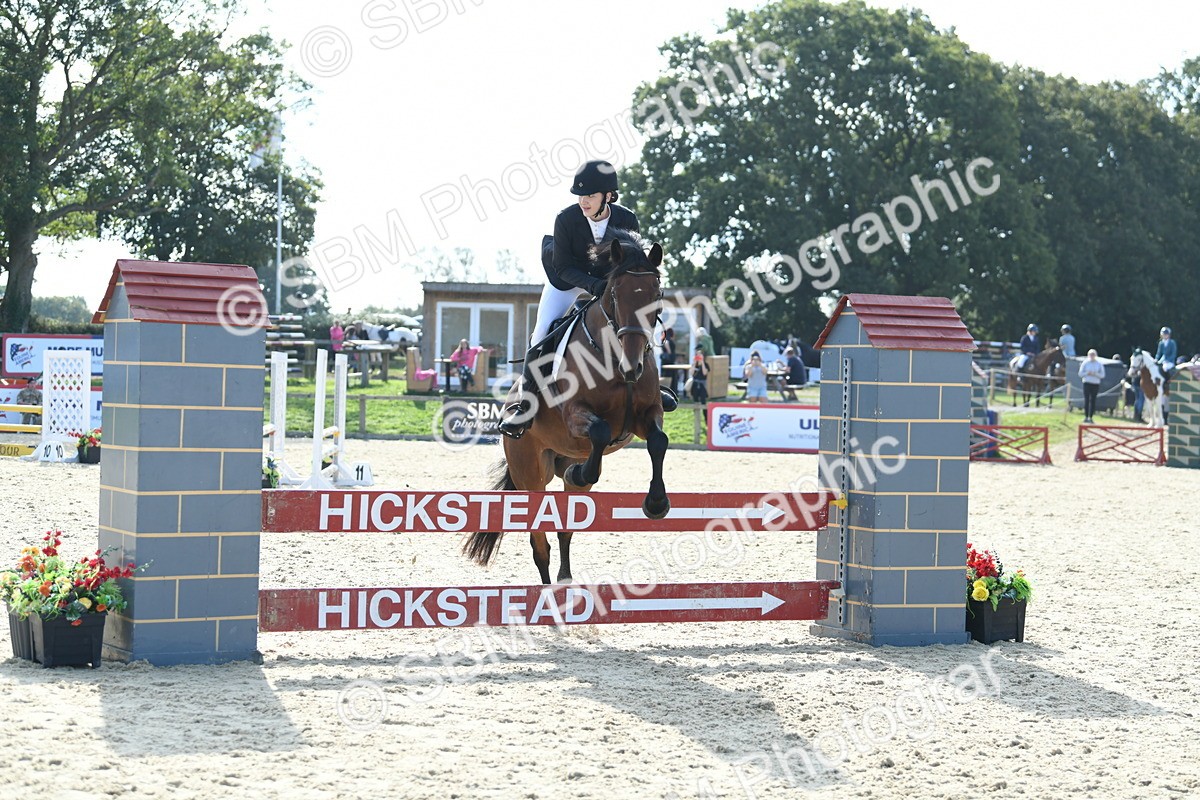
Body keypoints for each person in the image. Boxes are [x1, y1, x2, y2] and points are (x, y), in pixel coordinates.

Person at [499, 160, 675, 438]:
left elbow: (633, 260)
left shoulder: (626, 219)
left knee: (636, 323)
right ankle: (526, 403)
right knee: (541, 332)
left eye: (590, 195)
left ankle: (653, 389)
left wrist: (618, 286)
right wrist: (594, 284)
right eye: (581, 196)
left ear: (608, 196)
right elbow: (563, 267)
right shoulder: (566, 219)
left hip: (610, 284)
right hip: (566, 282)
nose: (584, 201)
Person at [1078, 349, 1104, 423]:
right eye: (1090, 355)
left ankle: (1091, 416)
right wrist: (1087, 373)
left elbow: (1102, 375)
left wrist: (1095, 374)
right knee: (1086, 399)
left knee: (1093, 400)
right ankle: (1086, 416)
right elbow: (1080, 373)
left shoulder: (1099, 364)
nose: (1092, 356)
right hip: (1087, 382)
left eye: (1093, 355)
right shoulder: (1085, 363)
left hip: (1095, 383)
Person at [660, 328, 680, 394]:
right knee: (671, 377)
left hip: (667, 361)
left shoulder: (664, 339)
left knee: (669, 376)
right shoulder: (667, 340)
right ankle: (672, 391)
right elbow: (668, 348)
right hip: (669, 361)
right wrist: (670, 352)